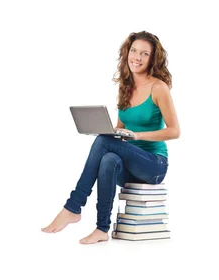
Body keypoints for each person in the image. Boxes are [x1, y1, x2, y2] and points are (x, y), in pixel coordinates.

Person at [41, 31, 180, 244]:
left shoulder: (158, 87)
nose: (137, 57)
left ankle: (73, 206)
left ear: (153, 59)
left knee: (103, 142)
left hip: (154, 166)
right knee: (108, 157)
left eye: (145, 53)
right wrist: (113, 132)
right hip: (128, 166)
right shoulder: (126, 87)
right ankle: (101, 229)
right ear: (127, 53)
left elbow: (174, 131)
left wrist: (137, 136)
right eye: (134, 51)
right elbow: (120, 128)